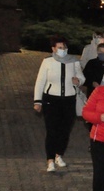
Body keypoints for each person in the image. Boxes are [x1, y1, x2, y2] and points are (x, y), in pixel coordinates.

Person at [33, 36, 85, 172]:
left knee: (65, 130)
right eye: (60, 48)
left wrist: (78, 81)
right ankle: (50, 160)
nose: (63, 50)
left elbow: (82, 77)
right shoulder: (47, 62)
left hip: (69, 99)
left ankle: (58, 155)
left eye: (64, 47)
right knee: (52, 130)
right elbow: (40, 81)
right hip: (51, 99)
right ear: (53, 49)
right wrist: (37, 101)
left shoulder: (74, 61)